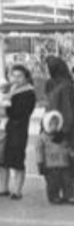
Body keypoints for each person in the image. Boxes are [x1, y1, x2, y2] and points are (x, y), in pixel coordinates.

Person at [0, 63, 37, 200]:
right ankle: (3, 188)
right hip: (3, 129)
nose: (16, 79)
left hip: (18, 129)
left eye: (19, 76)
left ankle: (17, 191)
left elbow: (20, 112)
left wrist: (5, 106)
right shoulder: (10, 90)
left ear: (26, 77)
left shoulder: (28, 92)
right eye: (13, 75)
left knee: (17, 159)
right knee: (1, 158)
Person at [44, 55, 74, 197]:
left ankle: (63, 192)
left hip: (59, 128)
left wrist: (63, 129)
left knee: (62, 164)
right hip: (55, 126)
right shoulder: (59, 83)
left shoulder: (64, 86)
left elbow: (67, 110)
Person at [36, 110, 72, 205]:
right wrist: (40, 163)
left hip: (64, 163)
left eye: (56, 124)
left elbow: (67, 147)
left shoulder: (62, 136)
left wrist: (71, 154)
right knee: (53, 183)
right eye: (51, 124)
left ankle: (69, 196)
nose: (54, 127)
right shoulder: (42, 138)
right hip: (50, 165)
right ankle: (54, 196)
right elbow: (39, 151)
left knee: (67, 181)